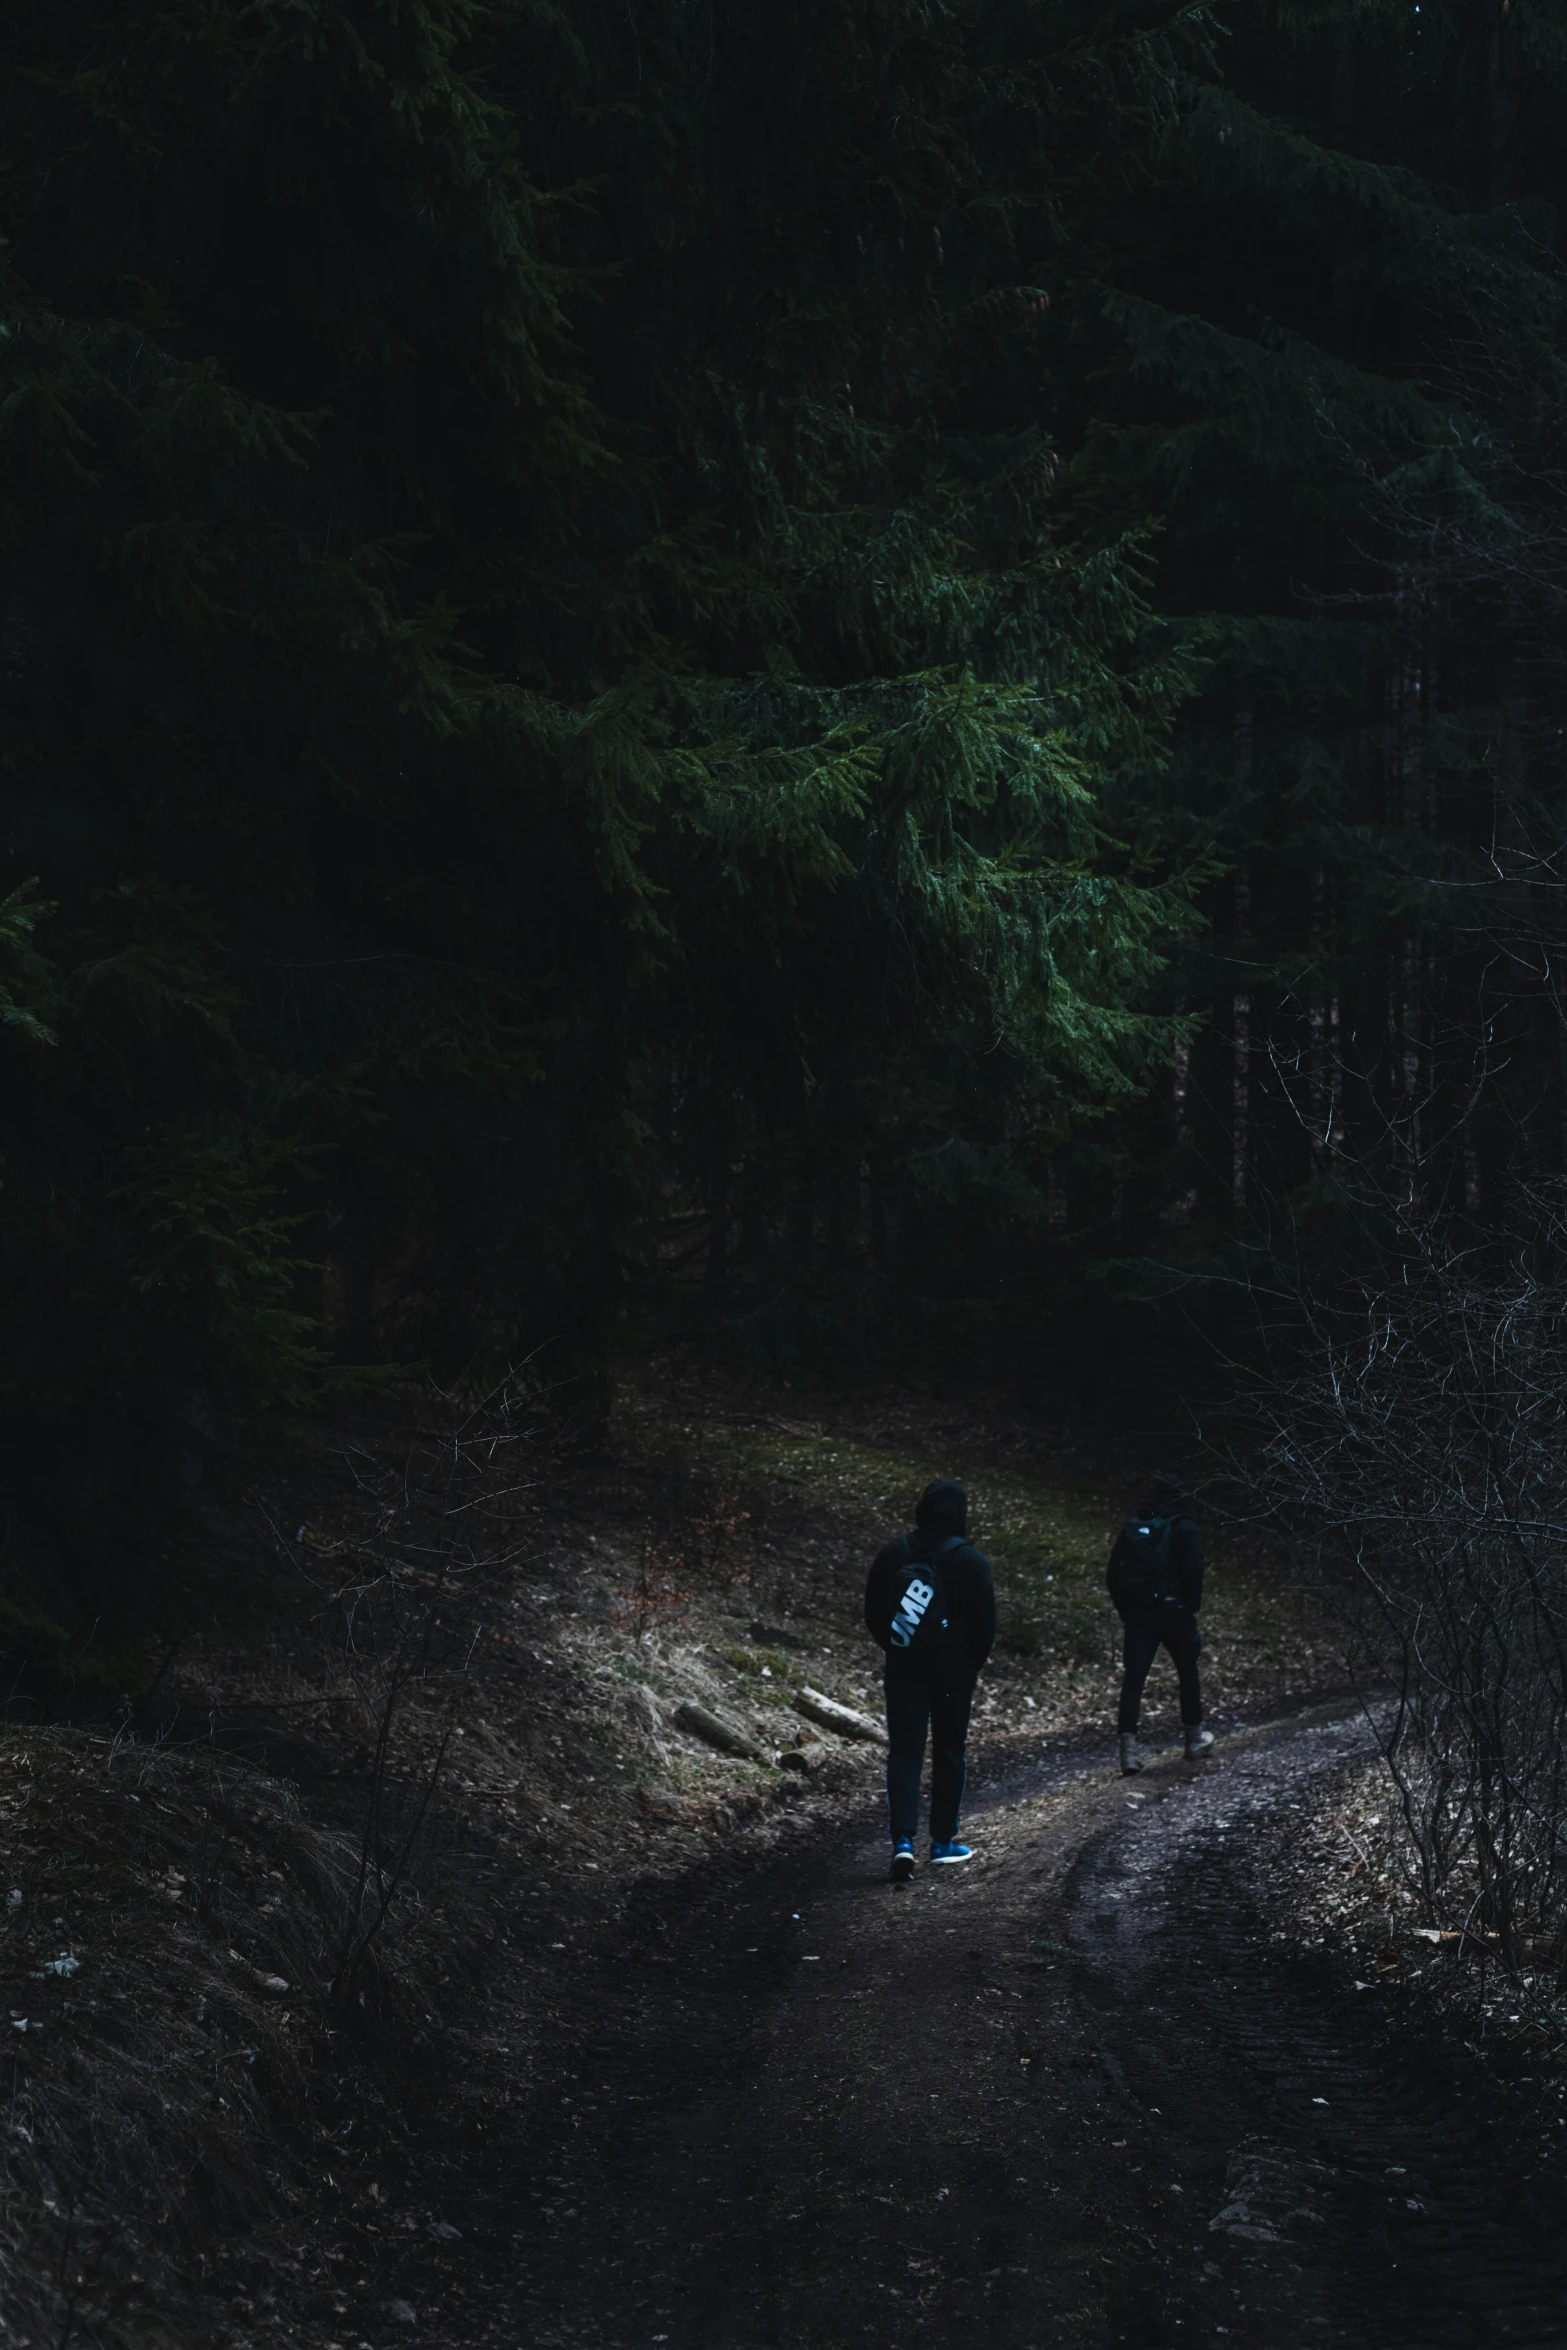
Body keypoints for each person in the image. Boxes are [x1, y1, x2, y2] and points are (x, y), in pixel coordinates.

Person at [865, 1478, 995, 1882]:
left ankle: (902, 1842)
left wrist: (896, 1646)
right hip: (953, 1673)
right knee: (950, 1752)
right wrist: (969, 1662)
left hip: (904, 1670)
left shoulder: (893, 1553)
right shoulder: (971, 1561)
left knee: (904, 1753)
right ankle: (942, 1843)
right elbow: (985, 1625)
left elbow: (872, 1613)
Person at [1108, 1471, 1215, 1774]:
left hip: (1139, 1614)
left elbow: (1114, 1573)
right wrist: (1190, 1607)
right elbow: (1194, 1571)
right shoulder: (1184, 1527)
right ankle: (1194, 1739)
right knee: (1187, 1672)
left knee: (1134, 1680)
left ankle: (1128, 1752)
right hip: (1174, 1612)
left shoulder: (1136, 1525)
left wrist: (1127, 1610)